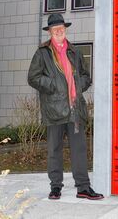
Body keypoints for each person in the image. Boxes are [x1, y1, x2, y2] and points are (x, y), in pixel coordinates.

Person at [28, 13, 103, 200]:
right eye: (55, 29)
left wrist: (78, 85)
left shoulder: (75, 51)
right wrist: (53, 85)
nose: (59, 31)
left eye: (61, 28)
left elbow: (87, 76)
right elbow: (33, 77)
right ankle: (55, 187)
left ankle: (83, 188)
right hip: (54, 109)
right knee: (54, 149)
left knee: (79, 149)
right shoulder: (42, 53)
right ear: (50, 32)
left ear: (65, 29)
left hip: (75, 108)